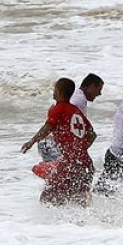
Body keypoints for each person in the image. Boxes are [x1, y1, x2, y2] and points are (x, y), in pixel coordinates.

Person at [21, 77, 96, 205]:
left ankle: (50, 219)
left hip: (71, 164)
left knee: (47, 197)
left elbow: (47, 127)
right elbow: (92, 134)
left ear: (60, 92)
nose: (53, 92)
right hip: (86, 164)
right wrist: (80, 150)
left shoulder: (58, 109)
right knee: (77, 200)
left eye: (55, 89)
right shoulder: (76, 110)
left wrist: (31, 142)